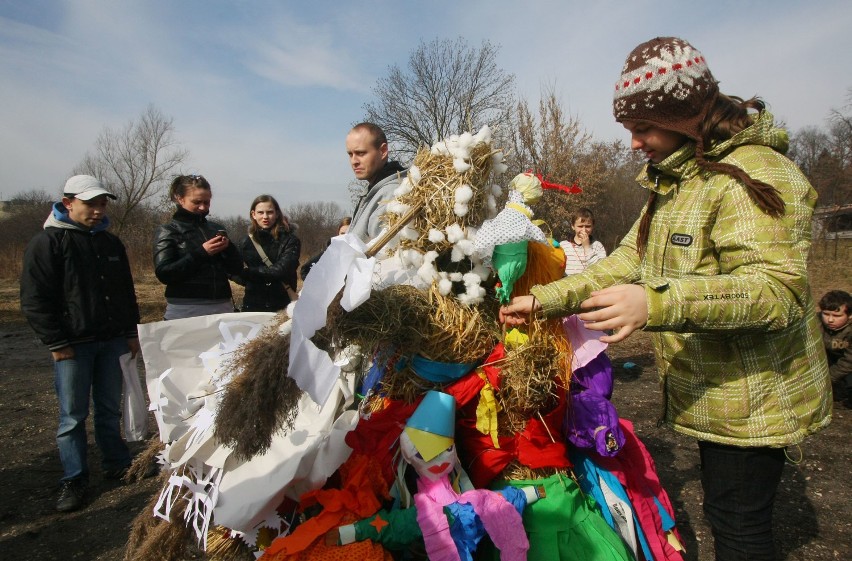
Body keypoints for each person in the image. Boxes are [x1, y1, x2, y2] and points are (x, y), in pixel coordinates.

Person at [499, 37, 831, 560]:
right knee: (727, 511)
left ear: (684, 117)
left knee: (740, 526)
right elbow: (628, 258)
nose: (633, 143)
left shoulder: (753, 176)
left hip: (755, 397)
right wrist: (544, 299)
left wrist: (656, 304)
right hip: (717, 391)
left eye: (641, 129)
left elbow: (777, 291)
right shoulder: (678, 179)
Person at [20, 175, 141, 513]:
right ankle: (74, 478)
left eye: (102, 204)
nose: (98, 210)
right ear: (68, 202)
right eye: (91, 204)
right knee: (72, 416)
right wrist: (56, 341)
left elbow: (125, 292)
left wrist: (131, 332)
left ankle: (116, 463)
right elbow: (34, 299)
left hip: (112, 340)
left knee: (108, 408)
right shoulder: (48, 243)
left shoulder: (110, 243)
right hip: (73, 345)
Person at [153, 174, 243, 320]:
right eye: (196, 202)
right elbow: (164, 273)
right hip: (185, 308)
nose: (203, 207)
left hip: (222, 304)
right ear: (179, 198)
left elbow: (236, 269)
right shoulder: (168, 230)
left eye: (207, 202)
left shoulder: (216, 228)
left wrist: (230, 249)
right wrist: (201, 253)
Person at [235, 194, 301, 312]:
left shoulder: (290, 240)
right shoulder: (245, 242)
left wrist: (249, 273)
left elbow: (280, 270)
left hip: (282, 305)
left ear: (276, 214)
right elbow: (234, 271)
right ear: (253, 214)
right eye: (260, 212)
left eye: (270, 212)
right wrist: (248, 280)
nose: (265, 217)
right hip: (252, 305)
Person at [346, 122, 407, 242]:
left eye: (361, 153)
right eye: (350, 154)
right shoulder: (373, 192)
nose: (354, 161)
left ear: (383, 151)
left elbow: (382, 257)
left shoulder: (390, 195)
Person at [818, 289, 852, 406]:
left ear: (850, 315)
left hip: (847, 366)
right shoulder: (814, 322)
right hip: (827, 360)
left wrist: (827, 379)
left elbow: (849, 362)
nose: (830, 319)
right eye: (826, 314)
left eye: (837, 316)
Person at [299, 216, 351, 281]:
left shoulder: (359, 254)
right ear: (338, 233)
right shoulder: (328, 251)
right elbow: (305, 270)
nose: (344, 237)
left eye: (348, 234)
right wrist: (317, 285)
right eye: (342, 234)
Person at [561, 207, 607, 275]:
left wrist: (587, 247)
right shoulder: (563, 245)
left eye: (588, 226)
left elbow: (600, 269)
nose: (584, 230)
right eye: (580, 226)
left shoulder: (597, 246)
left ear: (592, 226)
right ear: (573, 226)